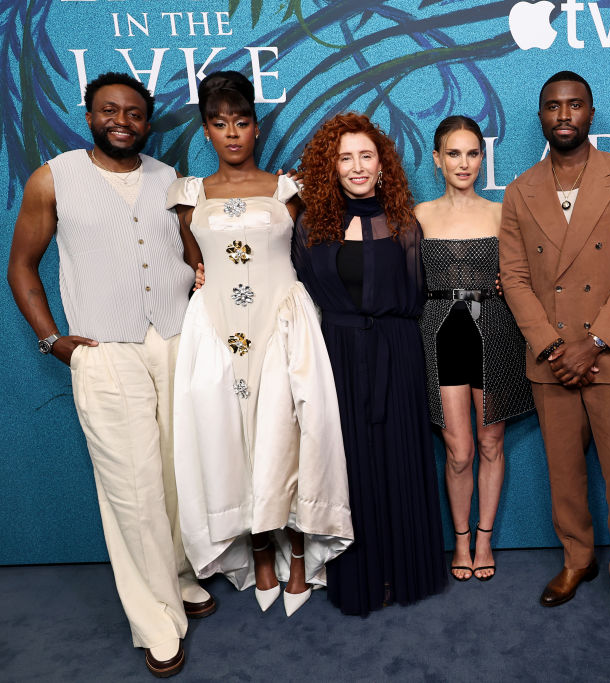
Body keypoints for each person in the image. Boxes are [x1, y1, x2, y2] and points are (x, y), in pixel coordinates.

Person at [7, 72, 209, 677]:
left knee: (177, 475)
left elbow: (189, 253)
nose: (122, 121)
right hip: (104, 348)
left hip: (172, 342)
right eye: (108, 111)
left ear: (147, 122)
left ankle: (177, 575)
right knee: (133, 487)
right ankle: (154, 620)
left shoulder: (168, 180)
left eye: (133, 113)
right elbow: (21, 265)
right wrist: (53, 339)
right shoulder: (55, 178)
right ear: (89, 115)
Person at [168, 71, 353, 617]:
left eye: (242, 122)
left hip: (284, 326)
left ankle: (299, 552)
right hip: (216, 333)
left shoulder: (286, 189)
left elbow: (314, 257)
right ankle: (259, 555)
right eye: (220, 123)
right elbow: (191, 262)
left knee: (292, 435)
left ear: (256, 126)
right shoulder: (189, 195)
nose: (232, 133)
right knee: (230, 440)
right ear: (206, 131)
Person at [499, 71, 610, 641]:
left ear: (592, 112)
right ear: (540, 116)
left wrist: (590, 343)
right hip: (550, 358)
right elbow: (514, 278)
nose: (563, 115)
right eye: (552, 107)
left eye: (574, 105)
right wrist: (551, 346)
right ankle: (576, 558)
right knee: (564, 474)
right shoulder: (519, 191)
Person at [292, 112, 447, 616]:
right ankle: (360, 576)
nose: (357, 167)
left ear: (382, 165)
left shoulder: (404, 223)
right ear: (330, 168)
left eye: (366, 156)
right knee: (350, 465)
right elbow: (295, 288)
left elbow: (418, 292)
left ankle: (405, 573)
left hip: (397, 353)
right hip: (336, 355)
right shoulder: (311, 223)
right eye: (345, 158)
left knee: (399, 456)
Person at [416, 115, 534, 582]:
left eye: (472, 153)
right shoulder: (419, 215)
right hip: (440, 335)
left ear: (482, 158)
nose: (463, 163)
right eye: (453, 153)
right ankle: (460, 541)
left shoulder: (503, 213)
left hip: (497, 333)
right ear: (437, 159)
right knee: (458, 449)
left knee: (490, 442)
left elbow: (530, 274)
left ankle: (484, 540)